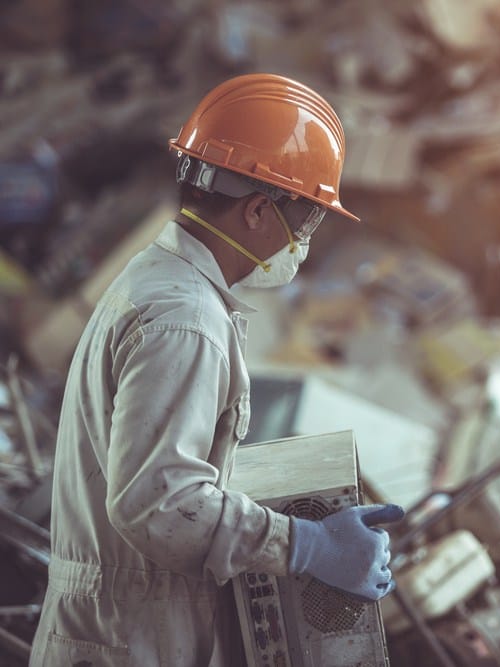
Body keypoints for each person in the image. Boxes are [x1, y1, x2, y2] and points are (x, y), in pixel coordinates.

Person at [29, 73, 405, 666]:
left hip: (120, 626)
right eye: (304, 221)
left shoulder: (156, 281)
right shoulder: (186, 320)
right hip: (133, 639)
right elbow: (159, 504)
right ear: (259, 208)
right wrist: (306, 544)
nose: (303, 242)